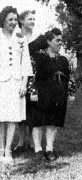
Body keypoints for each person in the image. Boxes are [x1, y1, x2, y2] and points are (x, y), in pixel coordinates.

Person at [0, 6, 32, 164]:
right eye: (10, 19)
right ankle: (1, 150)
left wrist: (24, 83)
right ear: (2, 20)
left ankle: (9, 150)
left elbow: (25, 63)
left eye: (15, 19)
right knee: (1, 118)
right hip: (0, 84)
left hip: (16, 83)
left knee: (12, 118)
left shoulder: (21, 39)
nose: (13, 22)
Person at [28, 28, 70, 161]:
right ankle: (38, 149)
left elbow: (70, 77)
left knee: (52, 122)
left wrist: (71, 92)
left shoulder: (63, 60)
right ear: (48, 41)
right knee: (38, 122)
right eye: (57, 40)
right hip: (40, 94)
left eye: (61, 41)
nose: (60, 43)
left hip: (58, 95)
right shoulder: (37, 57)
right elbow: (31, 76)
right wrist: (33, 91)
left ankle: (49, 149)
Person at [14, 10, 36, 152]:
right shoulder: (15, 37)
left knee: (33, 108)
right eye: (30, 19)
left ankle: (32, 141)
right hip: (18, 77)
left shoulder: (37, 38)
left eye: (34, 19)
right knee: (20, 108)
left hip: (34, 78)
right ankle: (21, 141)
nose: (33, 21)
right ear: (21, 21)